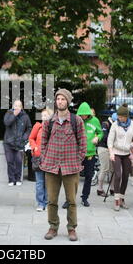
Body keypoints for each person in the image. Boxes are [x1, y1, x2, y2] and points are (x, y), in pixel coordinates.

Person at [40, 89, 87, 241]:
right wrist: (44, 156)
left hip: (71, 167)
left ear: (68, 101)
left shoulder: (76, 120)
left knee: (72, 200)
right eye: (58, 99)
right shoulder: (49, 121)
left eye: (63, 99)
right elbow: (44, 142)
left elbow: (83, 142)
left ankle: (72, 228)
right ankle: (53, 227)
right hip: (51, 166)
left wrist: (78, 159)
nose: (60, 101)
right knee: (51, 200)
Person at [107, 104, 133, 211]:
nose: (119, 118)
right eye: (118, 116)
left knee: (126, 176)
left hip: (127, 154)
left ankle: (122, 198)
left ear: (126, 116)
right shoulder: (115, 125)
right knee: (118, 175)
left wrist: (130, 145)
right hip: (116, 152)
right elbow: (110, 141)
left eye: (121, 116)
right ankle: (116, 199)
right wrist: (111, 153)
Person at [76, 102, 103, 207]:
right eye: (81, 114)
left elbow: (100, 132)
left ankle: (84, 197)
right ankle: (69, 199)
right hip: (77, 154)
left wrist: (98, 137)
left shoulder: (95, 121)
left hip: (90, 153)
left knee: (88, 176)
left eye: (85, 114)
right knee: (73, 177)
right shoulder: (77, 121)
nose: (83, 116)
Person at [29, 108, 54, 212]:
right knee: (39, 182)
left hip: (49, 158)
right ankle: (40, 203)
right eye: (42, 116)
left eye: (46, 116)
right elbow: (31, 138)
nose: (44, 117)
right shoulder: (37, 126)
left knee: (49, 182)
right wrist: (34, 147)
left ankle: (47, 202)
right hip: (38, 158)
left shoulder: (53, 128)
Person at [3, 100, 32, 186]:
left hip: (20, 143)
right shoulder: (8, 114)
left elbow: (29, 128)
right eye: (15, 105)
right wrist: (14, 115)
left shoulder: (25, 116)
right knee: (10, 161)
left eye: (18, 105)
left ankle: (18, 179)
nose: (17, 107)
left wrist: (24, 137)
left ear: (21, 107)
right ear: (13, 106)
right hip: (8, 142)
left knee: (19, 161)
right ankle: (11, 180)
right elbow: (7, 123)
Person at [96, 115, 115, 197]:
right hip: (103, 148)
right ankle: (99, 189)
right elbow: (104, 137)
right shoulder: (105, 124)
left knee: (112, 170)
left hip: (111, 149)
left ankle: (112, 189)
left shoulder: (114, 125)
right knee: (104, 169)